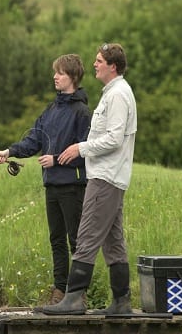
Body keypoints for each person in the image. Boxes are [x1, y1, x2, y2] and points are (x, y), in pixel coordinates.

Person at [36, 42, 137, 315]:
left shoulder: (117, 95)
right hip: (111, 176)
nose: (94, 64)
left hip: (105, 177)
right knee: (113, 241)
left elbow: (115, 139)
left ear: (112, 66)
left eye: (99, 61)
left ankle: (73, 299)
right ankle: (121, 302)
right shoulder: (114, 93)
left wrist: (80, 148)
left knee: (87, 235)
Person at [0, 54, 90, 305]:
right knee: (56, 240)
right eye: (55, 72)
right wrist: (9, 152)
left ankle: (78, 295)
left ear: (73, 78)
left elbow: (88, 151)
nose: (55, 77)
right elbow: (33, 140)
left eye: (60, 73)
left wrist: (56, 160)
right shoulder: (51, 109)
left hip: (73, 185)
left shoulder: (82, 112)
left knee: (75, 240)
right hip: (52, 185)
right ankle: (59, 293)